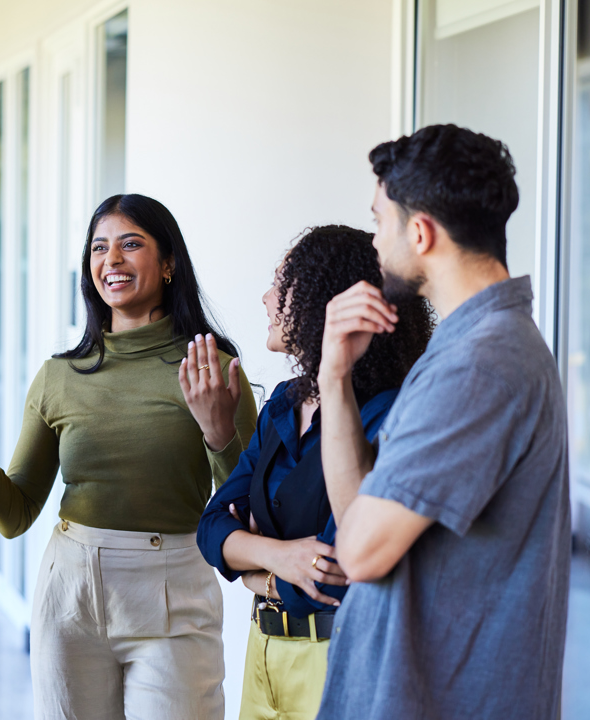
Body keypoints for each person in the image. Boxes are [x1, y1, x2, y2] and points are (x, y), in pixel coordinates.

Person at [0, 193, 258, 720]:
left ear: (168, 263)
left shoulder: (212, 369)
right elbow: (14, 514)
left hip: (175, 589)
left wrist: (219, 433)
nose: (110, 260)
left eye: (130, 244)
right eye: (99, 248)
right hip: (69, 592)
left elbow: (244, 511)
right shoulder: (59, 376)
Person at [314, 125, 570, 719]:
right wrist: (335, 379)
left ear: (420, 232)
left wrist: (357, 536)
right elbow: (363, 520)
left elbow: (360, 551)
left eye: (380, 221)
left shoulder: (480, 365)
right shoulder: (471, 348)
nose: (375, 242)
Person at [194, 226, 433, 720]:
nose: (265, 298)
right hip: (261, 652)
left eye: (280, 284)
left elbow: (334, 576)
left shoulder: (386, 416)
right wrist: (277, 558)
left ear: (321, 300)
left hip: (334, 657)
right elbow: (212, 524)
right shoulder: (283, 403)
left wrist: (249, 566)